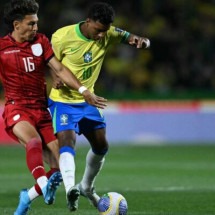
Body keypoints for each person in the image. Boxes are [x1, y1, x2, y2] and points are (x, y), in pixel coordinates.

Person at [0, 0, 107, 214]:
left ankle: (27, 196)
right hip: (17, 107)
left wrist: (84, 90)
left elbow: (59, 68)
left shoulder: (41, 42)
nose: (36, 28)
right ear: (16, 24)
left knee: (60, 168)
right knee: (34, 141)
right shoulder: (2, 47)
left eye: (36, 23)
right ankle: (41, 182)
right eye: (31, 24)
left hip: (43, 108)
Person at [48, 1, 150, 212]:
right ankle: (70, 188)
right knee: (67, 140)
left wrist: (141, 41)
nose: (102, 35)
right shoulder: (62, 36)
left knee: (102, 146)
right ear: (88, 21)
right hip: (63, 100)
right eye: (98, 30)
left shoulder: (109, 32)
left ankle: (86, 186)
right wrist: (55, 77)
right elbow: (51, 62)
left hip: (88, 101)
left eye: (105, 31)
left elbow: (129, 37)